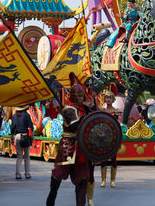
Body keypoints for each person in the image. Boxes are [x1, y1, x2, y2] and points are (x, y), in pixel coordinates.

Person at [46, 73, 92, 206]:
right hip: (68, 146)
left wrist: (91, 110)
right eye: (77, 96)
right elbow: (76, 126)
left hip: (82, 148)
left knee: (82, 179)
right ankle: (51, 197)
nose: (79, 98)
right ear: (72, 96)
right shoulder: (69, 110)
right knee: (58, 174)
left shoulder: (84, 109)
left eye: (81, 95)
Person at [100, 91, 121, 189]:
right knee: (103, 159)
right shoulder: (102, 110)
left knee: (113, 159)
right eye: (107, 97)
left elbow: (117, 125)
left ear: (113, 99)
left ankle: (112, 180)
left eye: (110, 98)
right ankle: (103, 180)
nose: (108, 99)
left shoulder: (116, 110)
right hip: (103, 137)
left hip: (113, 137)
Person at [11, 105, 33, 180]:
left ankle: (18, 174)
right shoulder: (27, 115)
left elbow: (12, 128)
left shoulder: (14, 116)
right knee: (27, 156)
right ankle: (27, 174)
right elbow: (31, 127)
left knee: (19, 157)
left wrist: (12, 138)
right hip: (25, 136)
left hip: (17, 136)